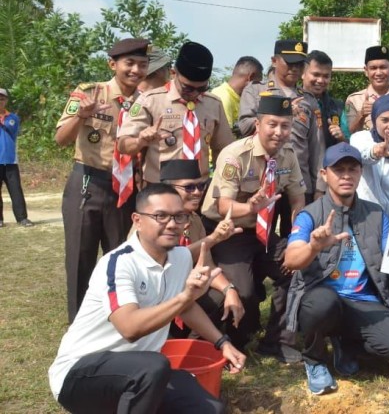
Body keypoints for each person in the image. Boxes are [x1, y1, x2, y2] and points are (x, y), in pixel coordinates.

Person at [48, 183, 246, 414]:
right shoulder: (119, 263)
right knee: (153, 366)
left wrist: (222, 342)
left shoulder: (178, 257)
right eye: (160, 216)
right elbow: (130, 328)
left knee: (211, 408)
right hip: (79, 376)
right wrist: (184, 297)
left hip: (139, 372)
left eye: (179, 216)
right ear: (137, 220)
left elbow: (187, 308)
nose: (172, 224)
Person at [284, 143, 389, 395]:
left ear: (360, 172)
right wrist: (313, 247)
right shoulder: (310, 215)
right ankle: (314, 360)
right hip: (322, 298)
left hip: (363, 299)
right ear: (323, 174)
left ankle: (346, 343)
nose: (346, 176)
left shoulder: (376, 214)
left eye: (352, 169)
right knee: (322, 303)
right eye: (338, 170)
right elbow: (291, 259)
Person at [200, 95, 307, 362]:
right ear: (258, 124)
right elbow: (223, 204)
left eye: (285, 126)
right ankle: (236, 339)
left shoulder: (288, 156)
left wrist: (297, 237)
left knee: (298, 269)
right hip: (227, 232)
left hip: (262, 232)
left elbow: (297, 198)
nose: (279, 132)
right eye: (272, 124)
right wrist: (249, 207)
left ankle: (277, 341)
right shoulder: (235, 155)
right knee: (243, 290)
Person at [55, 38, 150, 322]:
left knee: (121, 258)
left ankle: (118, 321)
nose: (135, 70)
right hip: (88, 184)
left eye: (142, 64)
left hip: (127, 189)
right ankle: (78, 325)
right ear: (113, 64)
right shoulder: (90, 93)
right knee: (80, 259)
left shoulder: (147, 101)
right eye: (129, 63)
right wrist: (80, 117)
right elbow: (61, 139)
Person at [117, 41, 233, 184]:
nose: (195, 94)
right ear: (173, 74)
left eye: (201, 88)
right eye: (188, 88)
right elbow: (122, 145)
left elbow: (225, 150)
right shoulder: (150, 101)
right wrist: (139, 141)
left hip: (198, 190)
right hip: (160, 191)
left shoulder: (213, 104)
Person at [157, 159, 245, 335]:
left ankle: (194, 348)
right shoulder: (153, 220)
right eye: (189, 187)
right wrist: (214, 238)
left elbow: (208, 265)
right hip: (157, 296)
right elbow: (167, 257)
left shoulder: (195, 221)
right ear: (169, 190)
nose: (197, 192)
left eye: (201, 186)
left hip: (187, 293)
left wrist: (229, 289)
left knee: (221, 298)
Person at [238, 40, 321, 206]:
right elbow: (244, 127)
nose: (295, 68)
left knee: (298, 229)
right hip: (260, 180)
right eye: (289, 63)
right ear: (274, 61)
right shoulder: (256, 91)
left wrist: (319, 187)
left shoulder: (309, 100)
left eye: (299, 64)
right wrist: (278, 112)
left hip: (298, 181)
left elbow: (316, 147)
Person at [345, 45, 389, 134]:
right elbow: (350, 134)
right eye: (373, 68)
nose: (378, 73)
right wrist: (361, 115)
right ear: (366, 71)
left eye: (383, 67)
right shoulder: (354, 100)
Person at [303, 50, 349, 149]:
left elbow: (348, 144)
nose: (320, 80)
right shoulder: (293, 102)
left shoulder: (337, 108)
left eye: (326, 76)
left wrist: (340, 137)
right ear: (303, 73)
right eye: (316, 75)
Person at [0, 88, 32, 228]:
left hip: (10, 160)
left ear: (6, 101)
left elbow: (12, 132)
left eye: (2, 99)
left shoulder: (13, 118)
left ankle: (22, 218)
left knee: (16, 190)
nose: (0, 101)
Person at [209, 56, 264, 130]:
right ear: (250, 77)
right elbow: (224, 138)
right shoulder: (223, 97)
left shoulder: (239, 99)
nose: (258, 88)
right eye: (258, 84)